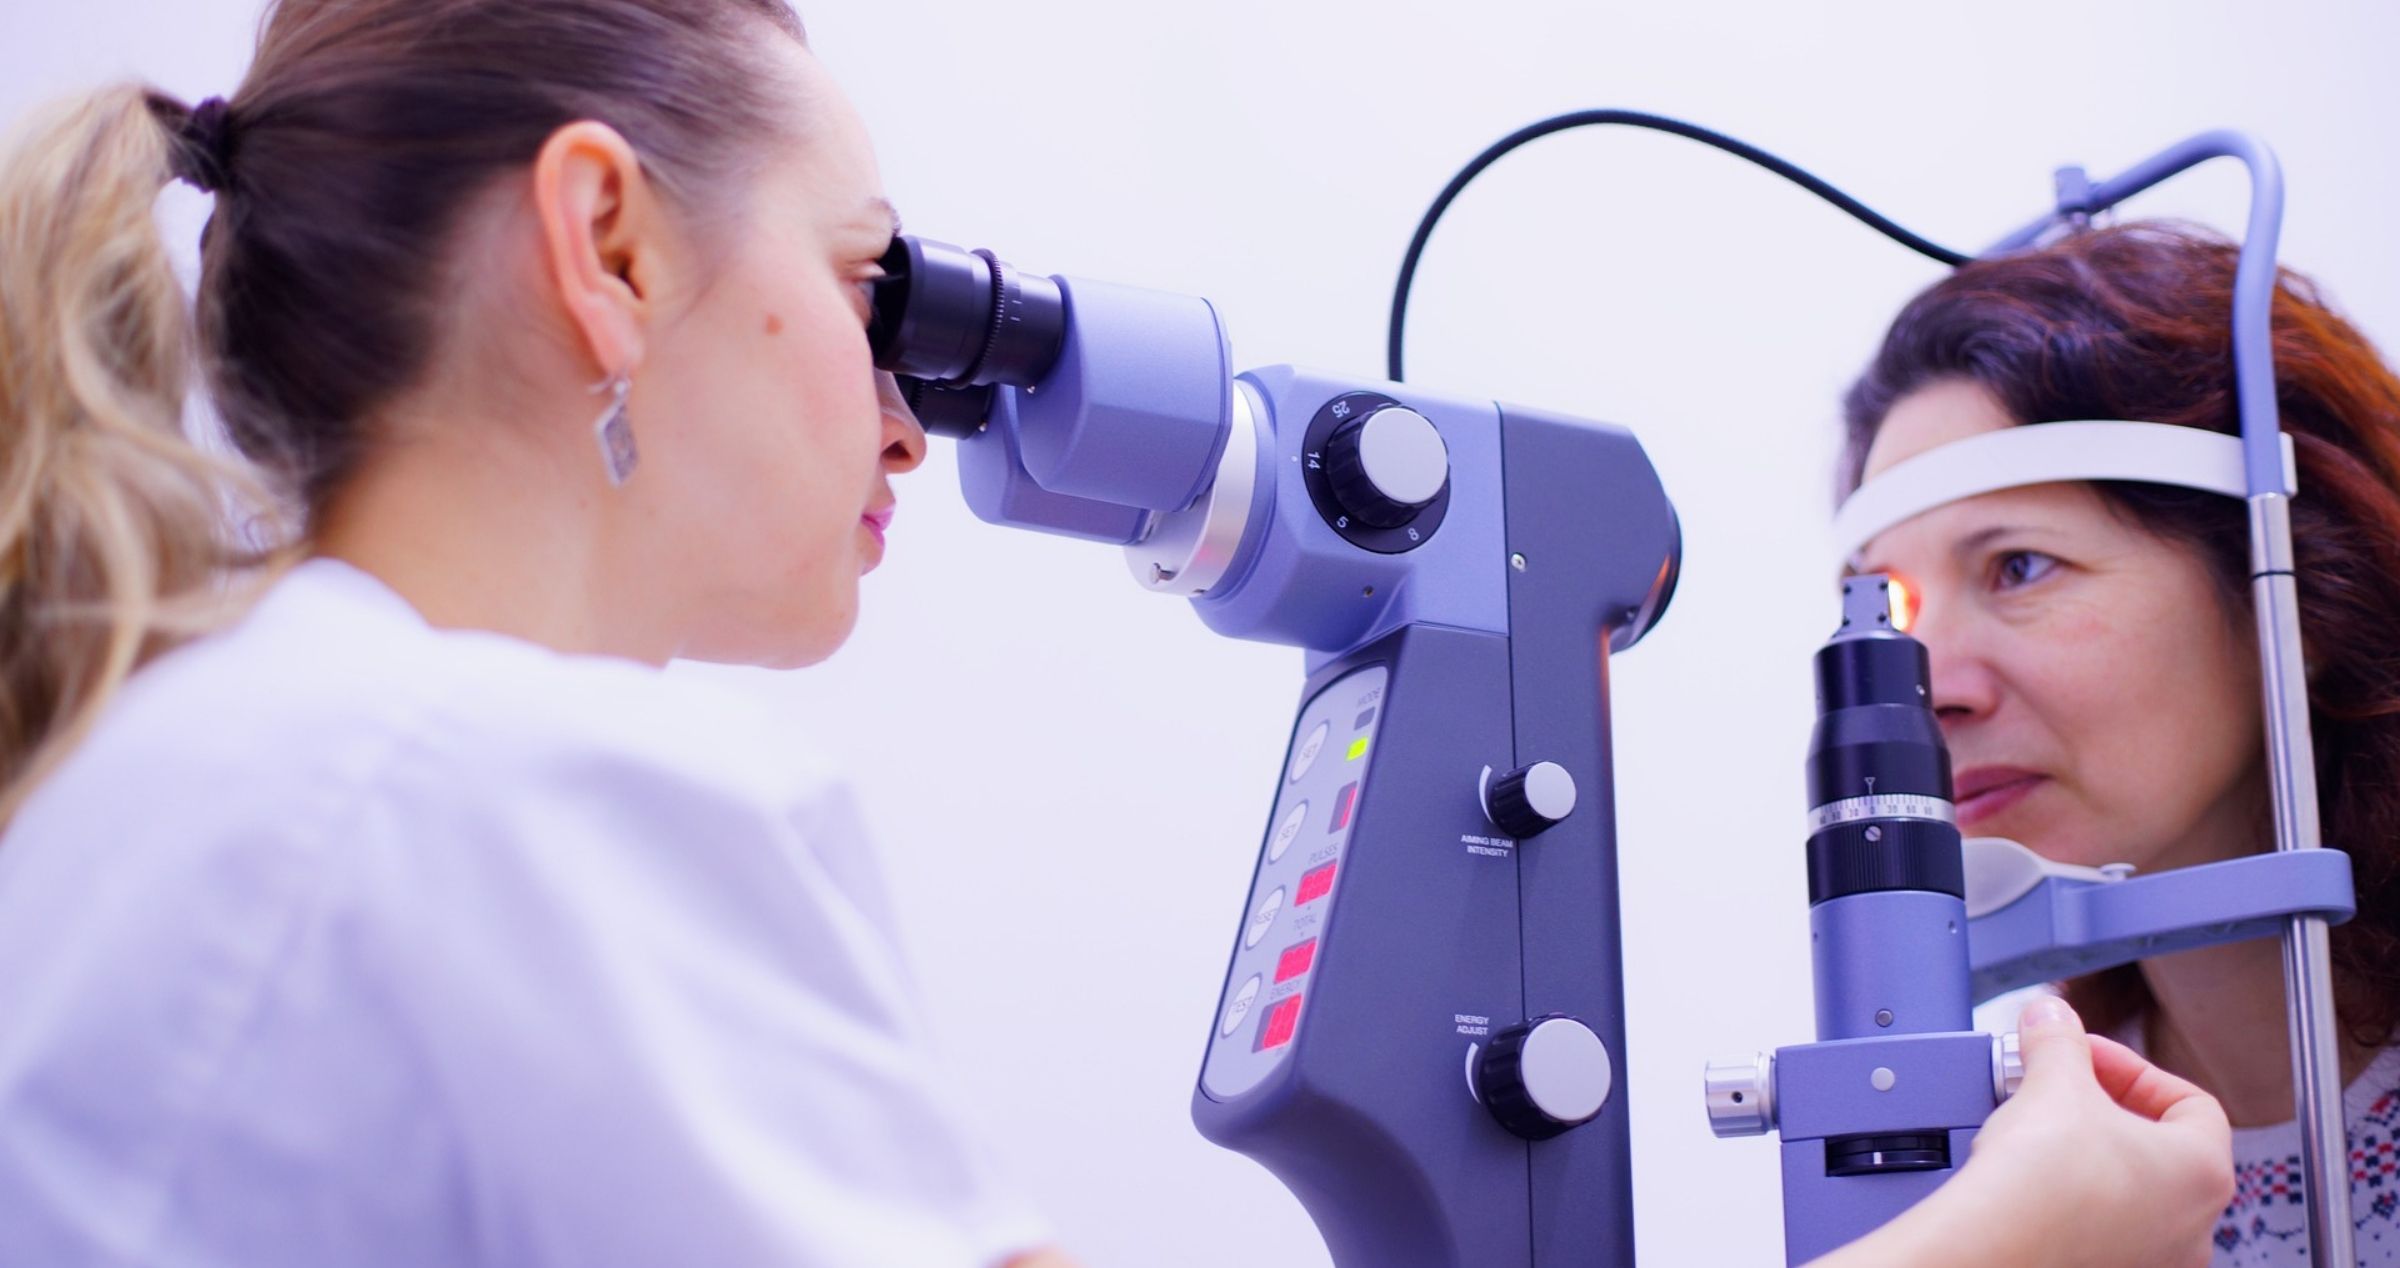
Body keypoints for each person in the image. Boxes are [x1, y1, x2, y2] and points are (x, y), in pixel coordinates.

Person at [0, 1, 2235, 1263]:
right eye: (877, 281)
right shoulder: (513, 802)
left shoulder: (168, 765)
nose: (909, 401)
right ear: (606, 239)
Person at [1838, 221, 2400, 1265]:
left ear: (2299, 593)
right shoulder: (2009, 1161)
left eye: (2019, 566)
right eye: (1892, 614)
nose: (1934, 689)